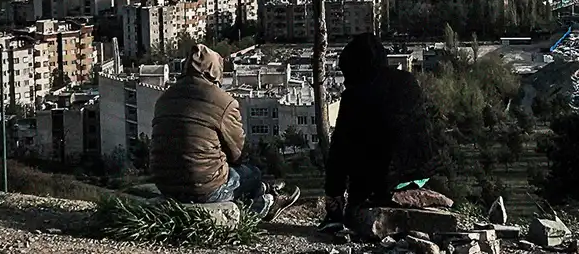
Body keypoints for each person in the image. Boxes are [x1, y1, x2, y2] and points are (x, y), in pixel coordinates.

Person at [150, 44, 300, 220]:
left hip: (164, 183)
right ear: (215, 71)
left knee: (241, 176)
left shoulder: (164, 98)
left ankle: (264, 191)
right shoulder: (224, 101)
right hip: (203, 187)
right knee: (252, 173)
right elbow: (238, 153)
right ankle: (265, 205)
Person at [319, 33, 437, 231]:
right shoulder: (408, 81)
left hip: (381, 183)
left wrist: (333, 192)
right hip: (421, 175)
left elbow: (339, 149)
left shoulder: (355, 95)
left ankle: (340, 213)